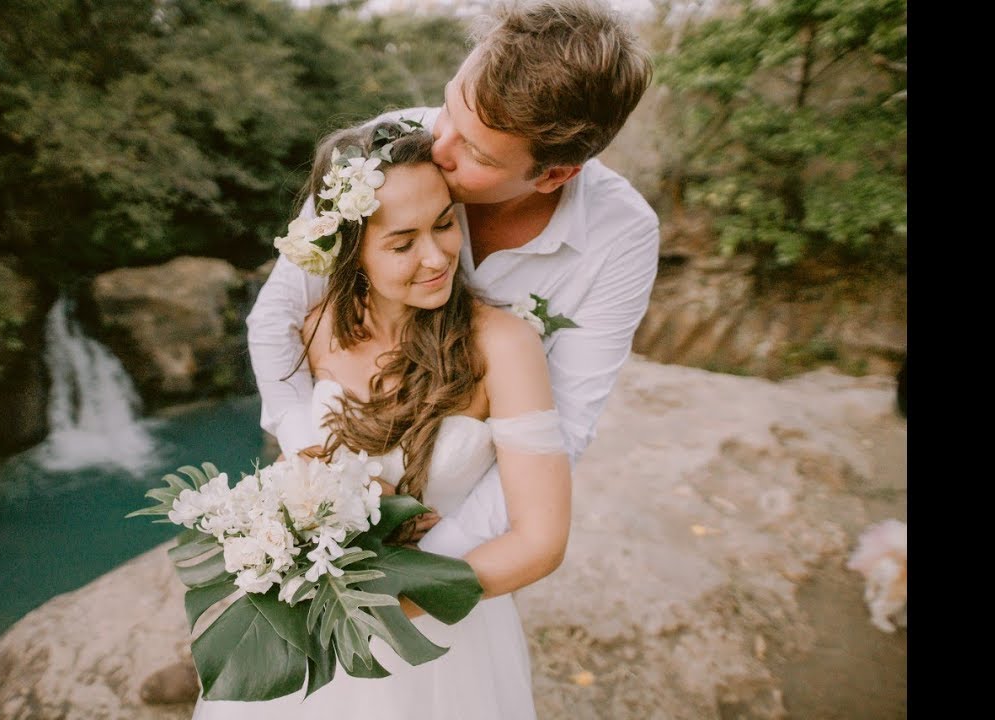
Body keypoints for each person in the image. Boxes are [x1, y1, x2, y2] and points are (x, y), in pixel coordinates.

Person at [142, 0, 658, 705]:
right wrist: (309, 459)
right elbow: (277, 316)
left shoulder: (619, 239)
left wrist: (396, 576)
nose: (438, 142)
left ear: (553, 175)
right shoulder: (393, 148)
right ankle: (229, 651)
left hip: (460, 471)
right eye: (450, 108)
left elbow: (562, 431)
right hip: (335, 420)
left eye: (475, 155)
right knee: (277, 543)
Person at [194, 114, 570, 719]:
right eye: (401, 243)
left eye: (446, 224)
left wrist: (388, 602)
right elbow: (301, 465)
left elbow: (540, 541)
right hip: (314, 632)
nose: (436, 256)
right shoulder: (316, 331)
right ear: (351, 250)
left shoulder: (502, 347)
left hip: (440, 646)